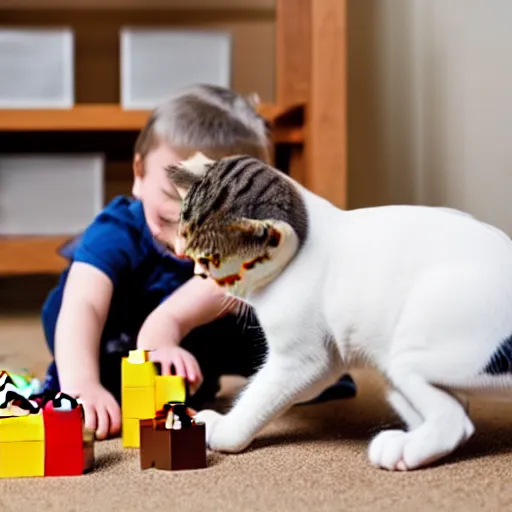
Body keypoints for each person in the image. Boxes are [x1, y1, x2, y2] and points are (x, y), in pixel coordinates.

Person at [40, 84, 356, 440]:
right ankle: (80, 377)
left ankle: (256, 370)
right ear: (138, 174)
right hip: (119, 335)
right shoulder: (119, 229)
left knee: (264, 296)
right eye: (168, 218)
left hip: (200, 333)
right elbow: (85, 304)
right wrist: (81, 384)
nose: (182, 244)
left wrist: (166, 324)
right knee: (69, 310)